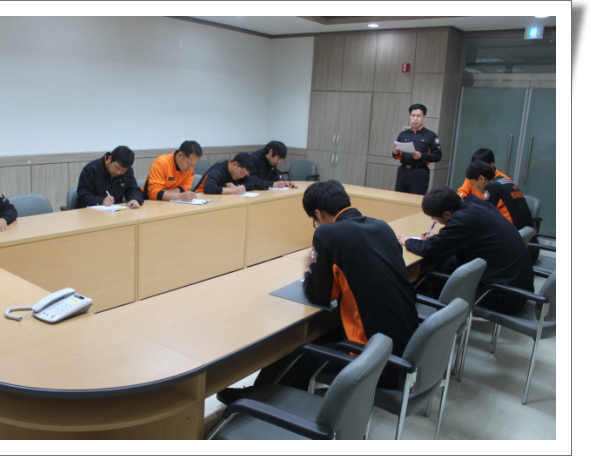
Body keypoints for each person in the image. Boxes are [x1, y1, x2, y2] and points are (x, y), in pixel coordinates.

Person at [217, 180, 419, 404]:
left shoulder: (328, 234)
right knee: (319, 333)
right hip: (405, 351)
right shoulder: (382, 227)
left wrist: (310, 270)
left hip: (375, 363)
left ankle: (257, 401)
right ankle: (267, 395)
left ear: (318, 214)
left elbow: (320, 295)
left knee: (293, 349)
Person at [397, 187, 534, 315]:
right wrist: (442, 238)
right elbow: (465, 235)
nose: (434, 221)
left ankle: (436, 313)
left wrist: (408, 241)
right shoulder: (476, 204)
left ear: (447, 214)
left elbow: (429, 249)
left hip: (502, 295)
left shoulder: (463, 219)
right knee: (447, 263)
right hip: (517, 286)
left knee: (441, 270)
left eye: (434, 218)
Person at [465, 160, 533, 230]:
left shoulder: (491, 187)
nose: (473, 187)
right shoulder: (502, 180)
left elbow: (485, 215)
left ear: (481, 178)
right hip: (527, 231)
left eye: (473, 183)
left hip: (513, 232)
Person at [392, 103, 442, 195]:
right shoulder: (403, 134)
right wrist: (395, 152)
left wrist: (421, 156)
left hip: (419, 172)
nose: (415, 118)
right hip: (403, 171)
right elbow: (395, 156)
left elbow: (437, 156)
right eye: (413, 115)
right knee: (399, 197)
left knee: (416, 199)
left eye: (418, 116)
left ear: (424, 118)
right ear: (410, 117)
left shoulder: (431, 135)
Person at [76, 146, 143, 209]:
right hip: (90, 211)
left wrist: (134, 199)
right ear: (109, 158)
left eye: (123, 170)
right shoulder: (91, 169)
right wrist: (101, 201)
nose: (118, 172)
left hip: (114, 212)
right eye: (116, 167)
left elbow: (133, 189)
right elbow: (83, 196)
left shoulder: (128, 172)